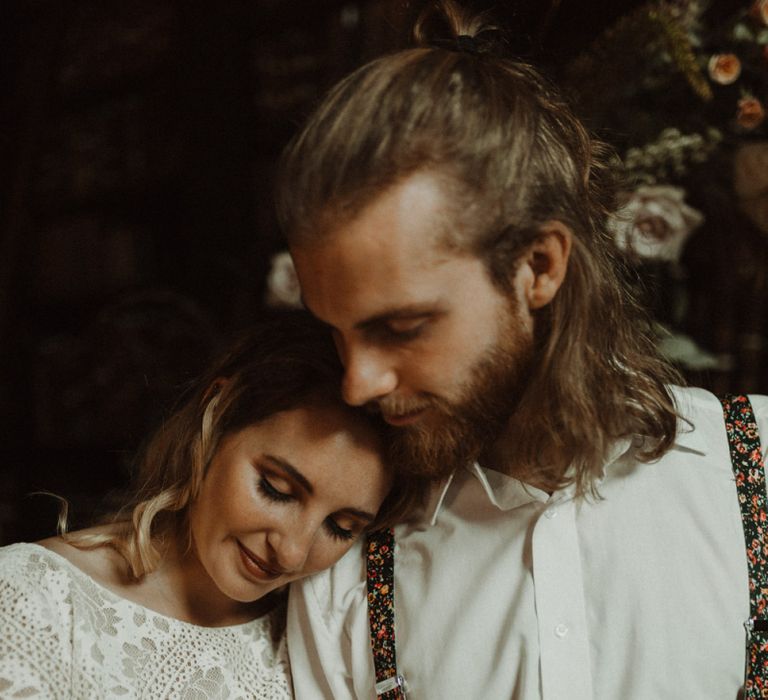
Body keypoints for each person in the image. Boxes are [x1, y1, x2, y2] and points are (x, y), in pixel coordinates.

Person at [275, 2, 768, 698]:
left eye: (403, 327)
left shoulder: (757, 473)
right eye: (338, 331)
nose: (357, 383)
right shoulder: (344, 560)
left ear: (538, 267)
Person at [0, 311, 422, 698]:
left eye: (341, 526)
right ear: (218, 414)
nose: (292, 552)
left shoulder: (327, 642)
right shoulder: (31, 599)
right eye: (276, 488)